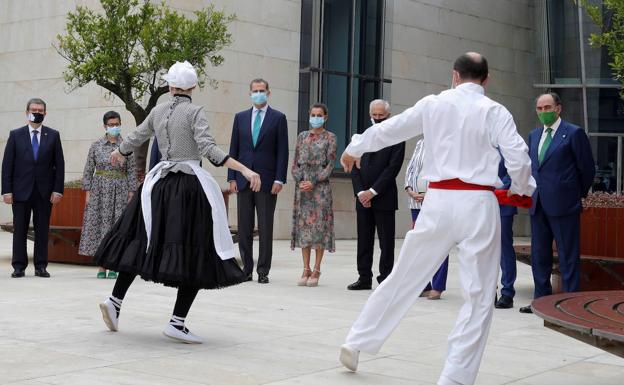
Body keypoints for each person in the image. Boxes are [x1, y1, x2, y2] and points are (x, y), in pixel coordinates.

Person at [338, 52, 536, 385]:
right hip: (478, 202)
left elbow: (392, 129)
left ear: (455, 75)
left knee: (404, 275)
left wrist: (355, 146)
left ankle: (356, 340)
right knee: (479, 292)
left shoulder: (434, 104)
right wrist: (521, 188)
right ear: (486, 80)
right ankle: (455, 376)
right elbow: (517, 157)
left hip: (439, 200)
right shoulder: (495, 111)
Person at [95, 61, 261, 344]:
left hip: (158, 186)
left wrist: (120, 151)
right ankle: (177, 321)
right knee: (196, 250)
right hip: (187, 189)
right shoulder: (195, 111)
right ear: (193, 87)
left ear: (171, 87)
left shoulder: (158, 110)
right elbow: (208, 149)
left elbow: (138, 135)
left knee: (139, 241)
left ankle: (115, 301)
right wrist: (244, 169)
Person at [519, 92, 595, 314]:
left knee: (567, 255)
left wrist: (574, 194)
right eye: (540, 108)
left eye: (547, 107)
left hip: (564, 205)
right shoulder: (534, 135)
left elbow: (587, 169)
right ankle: (540, 302)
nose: (544, 112)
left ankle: (569, 304)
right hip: (538, 204)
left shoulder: (573, 133)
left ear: (558, 108)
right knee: (539, 256)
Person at [228, 78, 289, 284]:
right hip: (243, 180)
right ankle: (246, 270)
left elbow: (282, 151)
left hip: (267, 181)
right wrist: (232, 178)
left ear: (268, 93)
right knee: (244, 227)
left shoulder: (278, 118)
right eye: (255, 91)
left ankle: (263, 271)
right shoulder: (240, 117)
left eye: (262, 90)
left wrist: (279, 179)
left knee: (265, 226)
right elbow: (233, 150)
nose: (258, 94)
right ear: (250, 93)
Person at [2, 98, 65, 278]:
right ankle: (19, 266)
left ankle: (40, 266)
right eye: (33, 109)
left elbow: (59, 165)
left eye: (40, 110)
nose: (37, 112)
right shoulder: (15, 135)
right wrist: (6, 190)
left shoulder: (53, 135)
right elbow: (7, 165)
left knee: (42, 230)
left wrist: (58, 189)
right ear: (26, 112)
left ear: (45, 113)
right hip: (20, 191)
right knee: (20, 229)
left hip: (44, 192)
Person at [348, 100, 405, 290]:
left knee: (386, 242)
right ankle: (364, 277)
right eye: (375, 115)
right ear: (370, 114)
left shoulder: (397, 137)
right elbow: (352, 165)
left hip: (384, 197)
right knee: (363, 240)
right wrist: (360, 193)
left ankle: (385, 279)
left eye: (382, 115)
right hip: (362, 198)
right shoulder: (361, 136)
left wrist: (372, 192)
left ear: (388, 115)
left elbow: (393, 168)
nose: (378, 118)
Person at [79, 111, 138, 279]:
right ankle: (101, 266)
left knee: (116, 227)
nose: (114, 127)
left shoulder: (126, 146)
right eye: (111, 125)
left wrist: (131, 192)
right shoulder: (96, 145)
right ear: (105, 126)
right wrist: (88, 193)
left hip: (120, 189)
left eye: (117, 124)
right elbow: (89, 169)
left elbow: (132, 171)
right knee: (101, 227)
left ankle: (114, 265)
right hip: (100, 190)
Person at [291, 103, 337, 287]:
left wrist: (314, 181)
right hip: (302, 188)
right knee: (304, 228)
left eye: (319, 115)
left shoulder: (330, 137)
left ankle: (317, 269)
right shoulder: (302, 136)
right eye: (313, 114)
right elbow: (295, 163)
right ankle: (305, 268)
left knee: (319, 228)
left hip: (320, 189)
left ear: (325, 117)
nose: (316, 117)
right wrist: (299, 180)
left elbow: (330, 165)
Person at [404, 137, 449, 300]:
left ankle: (437, 286)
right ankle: (423, 285)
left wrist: (430, 193)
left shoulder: (446, 143)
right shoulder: (420, 143)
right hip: (415, 203)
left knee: (438, 243)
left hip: (436, 201)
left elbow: (446, 173)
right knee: (419, 244)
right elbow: (411, 169)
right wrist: (409, 189)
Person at [495, 158, 517, 309]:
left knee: (504, 248)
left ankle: (507, 293)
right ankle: (488, 291)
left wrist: (494, 190)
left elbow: (514, 171)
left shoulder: (506, 138)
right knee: (482, 249)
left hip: (503, 202)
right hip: (480, 204)